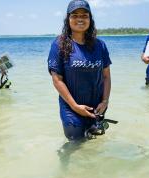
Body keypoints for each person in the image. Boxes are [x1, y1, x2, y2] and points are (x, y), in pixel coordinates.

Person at [47, 0, 112, 141]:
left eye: (84, 15)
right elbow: (57, 80)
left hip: (97, 107)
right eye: (75, 15)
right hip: (71, 109)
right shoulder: (59, 44)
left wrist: (105, 101)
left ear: (90, 19)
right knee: (75, 147)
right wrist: (75, 106)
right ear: (68, 19)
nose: (80, 19)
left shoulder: (100, 45)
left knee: (93, 149)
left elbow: (106, 76)